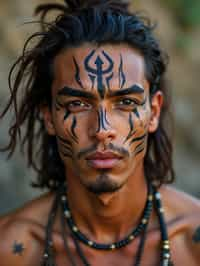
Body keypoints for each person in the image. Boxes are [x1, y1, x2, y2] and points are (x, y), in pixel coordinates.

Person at [0, 0, 199, 265]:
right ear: (49, 115)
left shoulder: (191, 241)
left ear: (153, 111)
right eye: (78, 104)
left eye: (126, 103)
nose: (102, 130)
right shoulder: (13, 248)